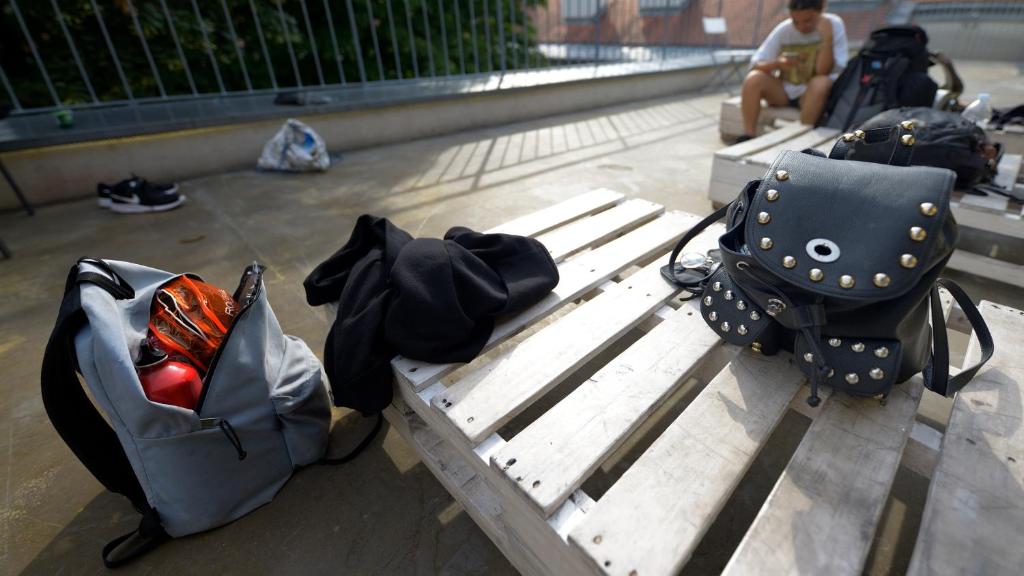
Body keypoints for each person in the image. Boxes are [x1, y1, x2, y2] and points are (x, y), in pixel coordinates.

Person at [737, 0, 848, 142]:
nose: (801, 27)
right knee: (754, 78)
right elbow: (755, 65)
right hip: (785, 92)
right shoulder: (784, 29)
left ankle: (801, 140)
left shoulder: (833, 25)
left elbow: (824, 72)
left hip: (814, 96)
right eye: (796, 22)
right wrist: (777, 64)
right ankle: (748, 135)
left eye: (807, 21)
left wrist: (827, 39)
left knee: (820, 83)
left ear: (820, 11)